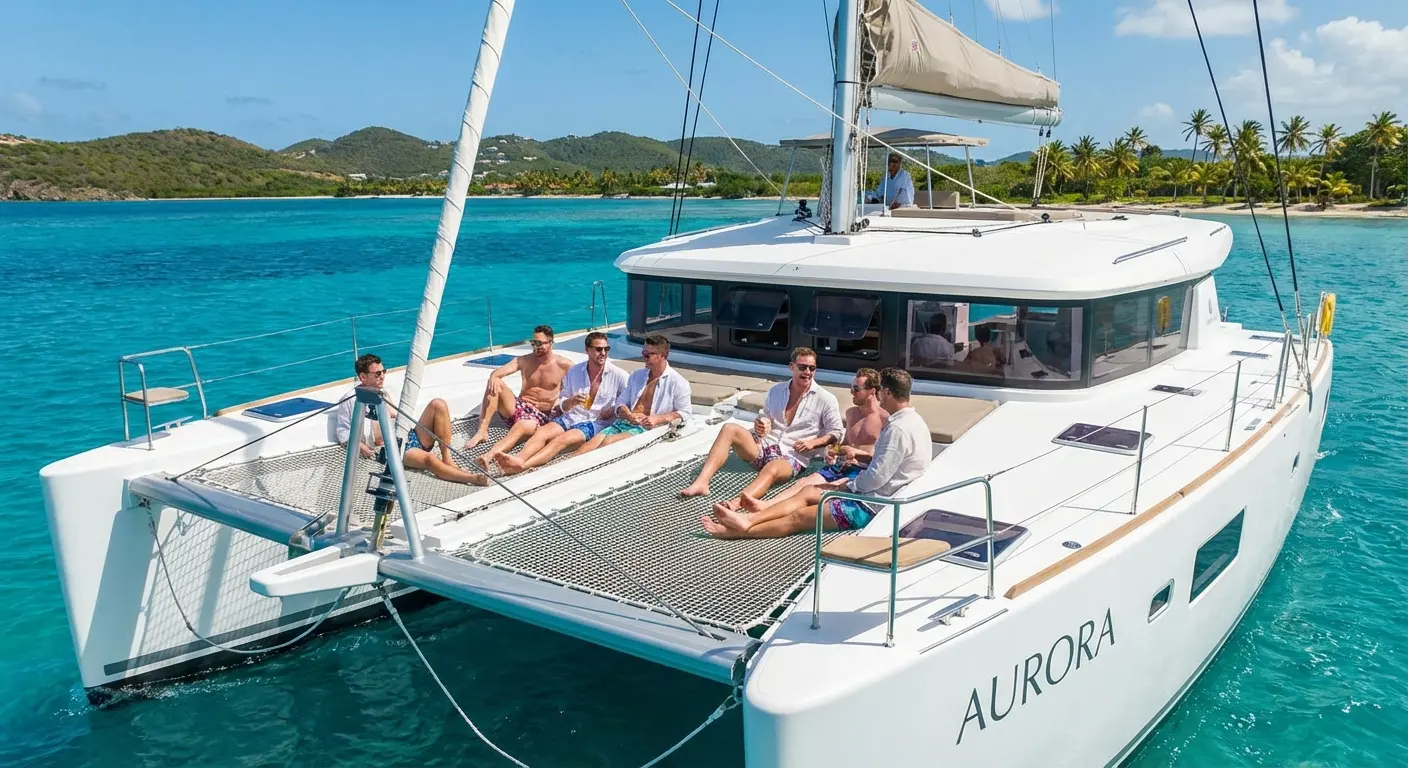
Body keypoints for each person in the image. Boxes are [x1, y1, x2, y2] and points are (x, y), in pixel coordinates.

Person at [701, 367, 930, 539]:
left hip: (871, 504)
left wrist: (847, 485)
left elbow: (876, 478)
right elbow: (886, 463)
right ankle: (750, 518)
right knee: (807, 490)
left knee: (800, 517)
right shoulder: (914, 421)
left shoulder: (897, 428)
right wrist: (848, 457)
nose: (879, 397)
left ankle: (740, 530)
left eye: (880, 392)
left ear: (887, 392)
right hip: (873, 491)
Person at [679, 346, 843, 504]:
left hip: (792, 456)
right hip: (765, 446)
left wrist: (813, 443)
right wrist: (761, 424)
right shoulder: (776, 390)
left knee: (772, 468)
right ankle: (701, 482)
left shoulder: (825, 399)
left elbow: (837, 433)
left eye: (812, 368)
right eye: (802, 367)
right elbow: (765, 417)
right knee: (729, 429)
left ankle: (738, 503)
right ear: (791, 367)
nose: (807, 372)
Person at [719, 367, 887, 512]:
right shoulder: (851, 413)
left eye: (856, 388)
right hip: (842, 465)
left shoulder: (884, 419)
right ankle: (765, 505)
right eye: (851, 387)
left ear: (872, 391)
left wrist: (857, 453)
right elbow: (845, 444)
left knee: (818, 490)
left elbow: (885, 457)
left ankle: (763, 511)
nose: (851, 392)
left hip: (863, 470)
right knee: (804, 482)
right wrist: (833, 452)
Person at [335, 353, 487, 485]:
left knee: (438, 404)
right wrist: (361, 446)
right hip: (392, 448)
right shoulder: (351, 400)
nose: (382, 376)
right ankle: (471, 478)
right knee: (429, 459)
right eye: (377, 374)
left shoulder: (383, 393)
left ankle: (447, 459)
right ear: (363, 377)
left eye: (383, 372)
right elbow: (342, 432)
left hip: (408, 435)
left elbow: (396, 415)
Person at [494, 332, 629, 475]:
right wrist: (572, 401)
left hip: (595, 422)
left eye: (606, 349)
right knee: (542, 433)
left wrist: (613, 409)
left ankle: (523, 465)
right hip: (572, 416)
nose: (603, 353)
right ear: (587, 350)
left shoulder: (620, 376)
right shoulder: (575, 372)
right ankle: (519, 458)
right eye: (598, 349)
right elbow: (563, 405)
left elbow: (627, 402)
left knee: (560, 440)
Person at [574, 334, 692, 454]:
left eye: (649, 355)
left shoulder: (678, 382)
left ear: (663, 355)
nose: (644, 357)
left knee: (607, 443)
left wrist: (657, 419)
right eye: (643, 353)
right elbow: (621, 402)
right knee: (585, 448)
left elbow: (685, 412)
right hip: (624, 422)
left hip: (646, 429)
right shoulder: (637, 376)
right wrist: (627, 414)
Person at [466, 324, 572, 456]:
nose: (536, 347)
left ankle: (493, 454)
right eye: (533, 343)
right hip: (519, 407)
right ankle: (482, 430)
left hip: (541, 415)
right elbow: (497, 373)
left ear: (551, 342)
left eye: (539, 343)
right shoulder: (525, 360)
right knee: (495, 382)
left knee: (523, 425)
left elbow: (580, 385)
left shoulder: (565, 366)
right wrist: (493, 376)